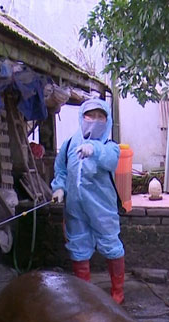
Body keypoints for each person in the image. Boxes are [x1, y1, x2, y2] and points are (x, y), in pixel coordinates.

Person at [51, 98, 124, 303]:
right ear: (81, 117)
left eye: (100, 116)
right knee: (78, 247)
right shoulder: (68, 145)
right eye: (90, 115)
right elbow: (62, 170)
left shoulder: (110, 146)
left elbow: (110, 160)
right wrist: (59, 188)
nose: (95, 120)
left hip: (102, 208)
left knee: (111, 244)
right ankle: (85, 295)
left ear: (107, 120)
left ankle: (117, 293)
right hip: (75, 208)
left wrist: (95, 149)